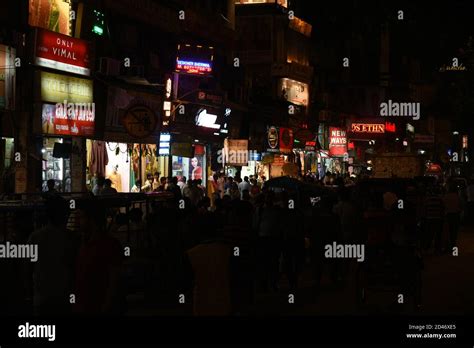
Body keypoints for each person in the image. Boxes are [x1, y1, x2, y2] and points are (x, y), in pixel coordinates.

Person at [27, 197, 79, 315]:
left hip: (41, 298)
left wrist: (29, 295)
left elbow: (28, 269)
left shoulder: (35, 237)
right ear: (64, 215)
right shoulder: (72, 238)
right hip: (64, 297)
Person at [74, 201, 123, 314]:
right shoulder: (83, 243)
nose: (77, 222)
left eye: (81, 217)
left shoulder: (109, 245)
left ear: (91, 220)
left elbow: (114, 279)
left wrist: (106, 306)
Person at [444, 183, 462, 251]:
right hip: (456, 215)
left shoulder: (446, 196)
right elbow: (461, 205)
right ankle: (453, 246)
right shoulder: (457, 196)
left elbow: (443, 205)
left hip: (448, 215)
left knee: (447, 231)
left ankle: (447, 247)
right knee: (454, 231)